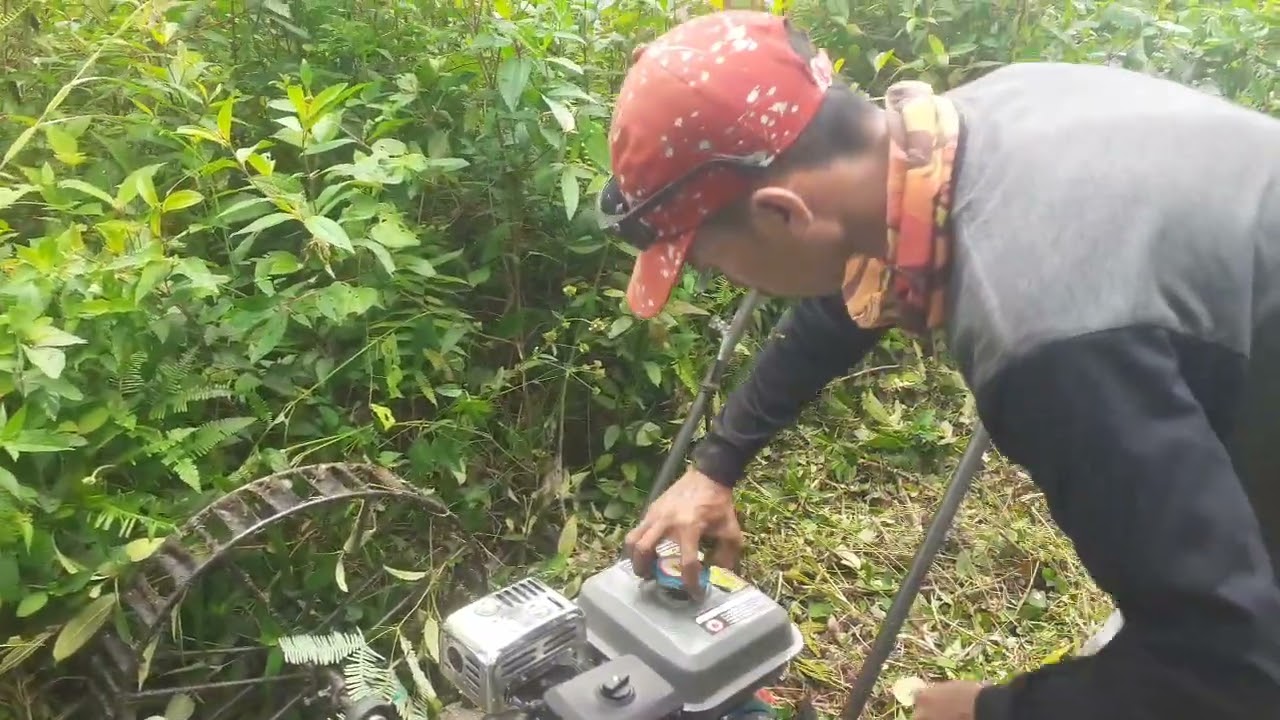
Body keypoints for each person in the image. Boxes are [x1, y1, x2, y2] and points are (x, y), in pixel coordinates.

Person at [596, 9, 1280, 720]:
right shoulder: (990, 112)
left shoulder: (1043, 335)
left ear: (781, 214)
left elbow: (1229, 670)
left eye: (710, 262)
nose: (728, 281)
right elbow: (856, 283)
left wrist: (983, 711)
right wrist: (716, 468)